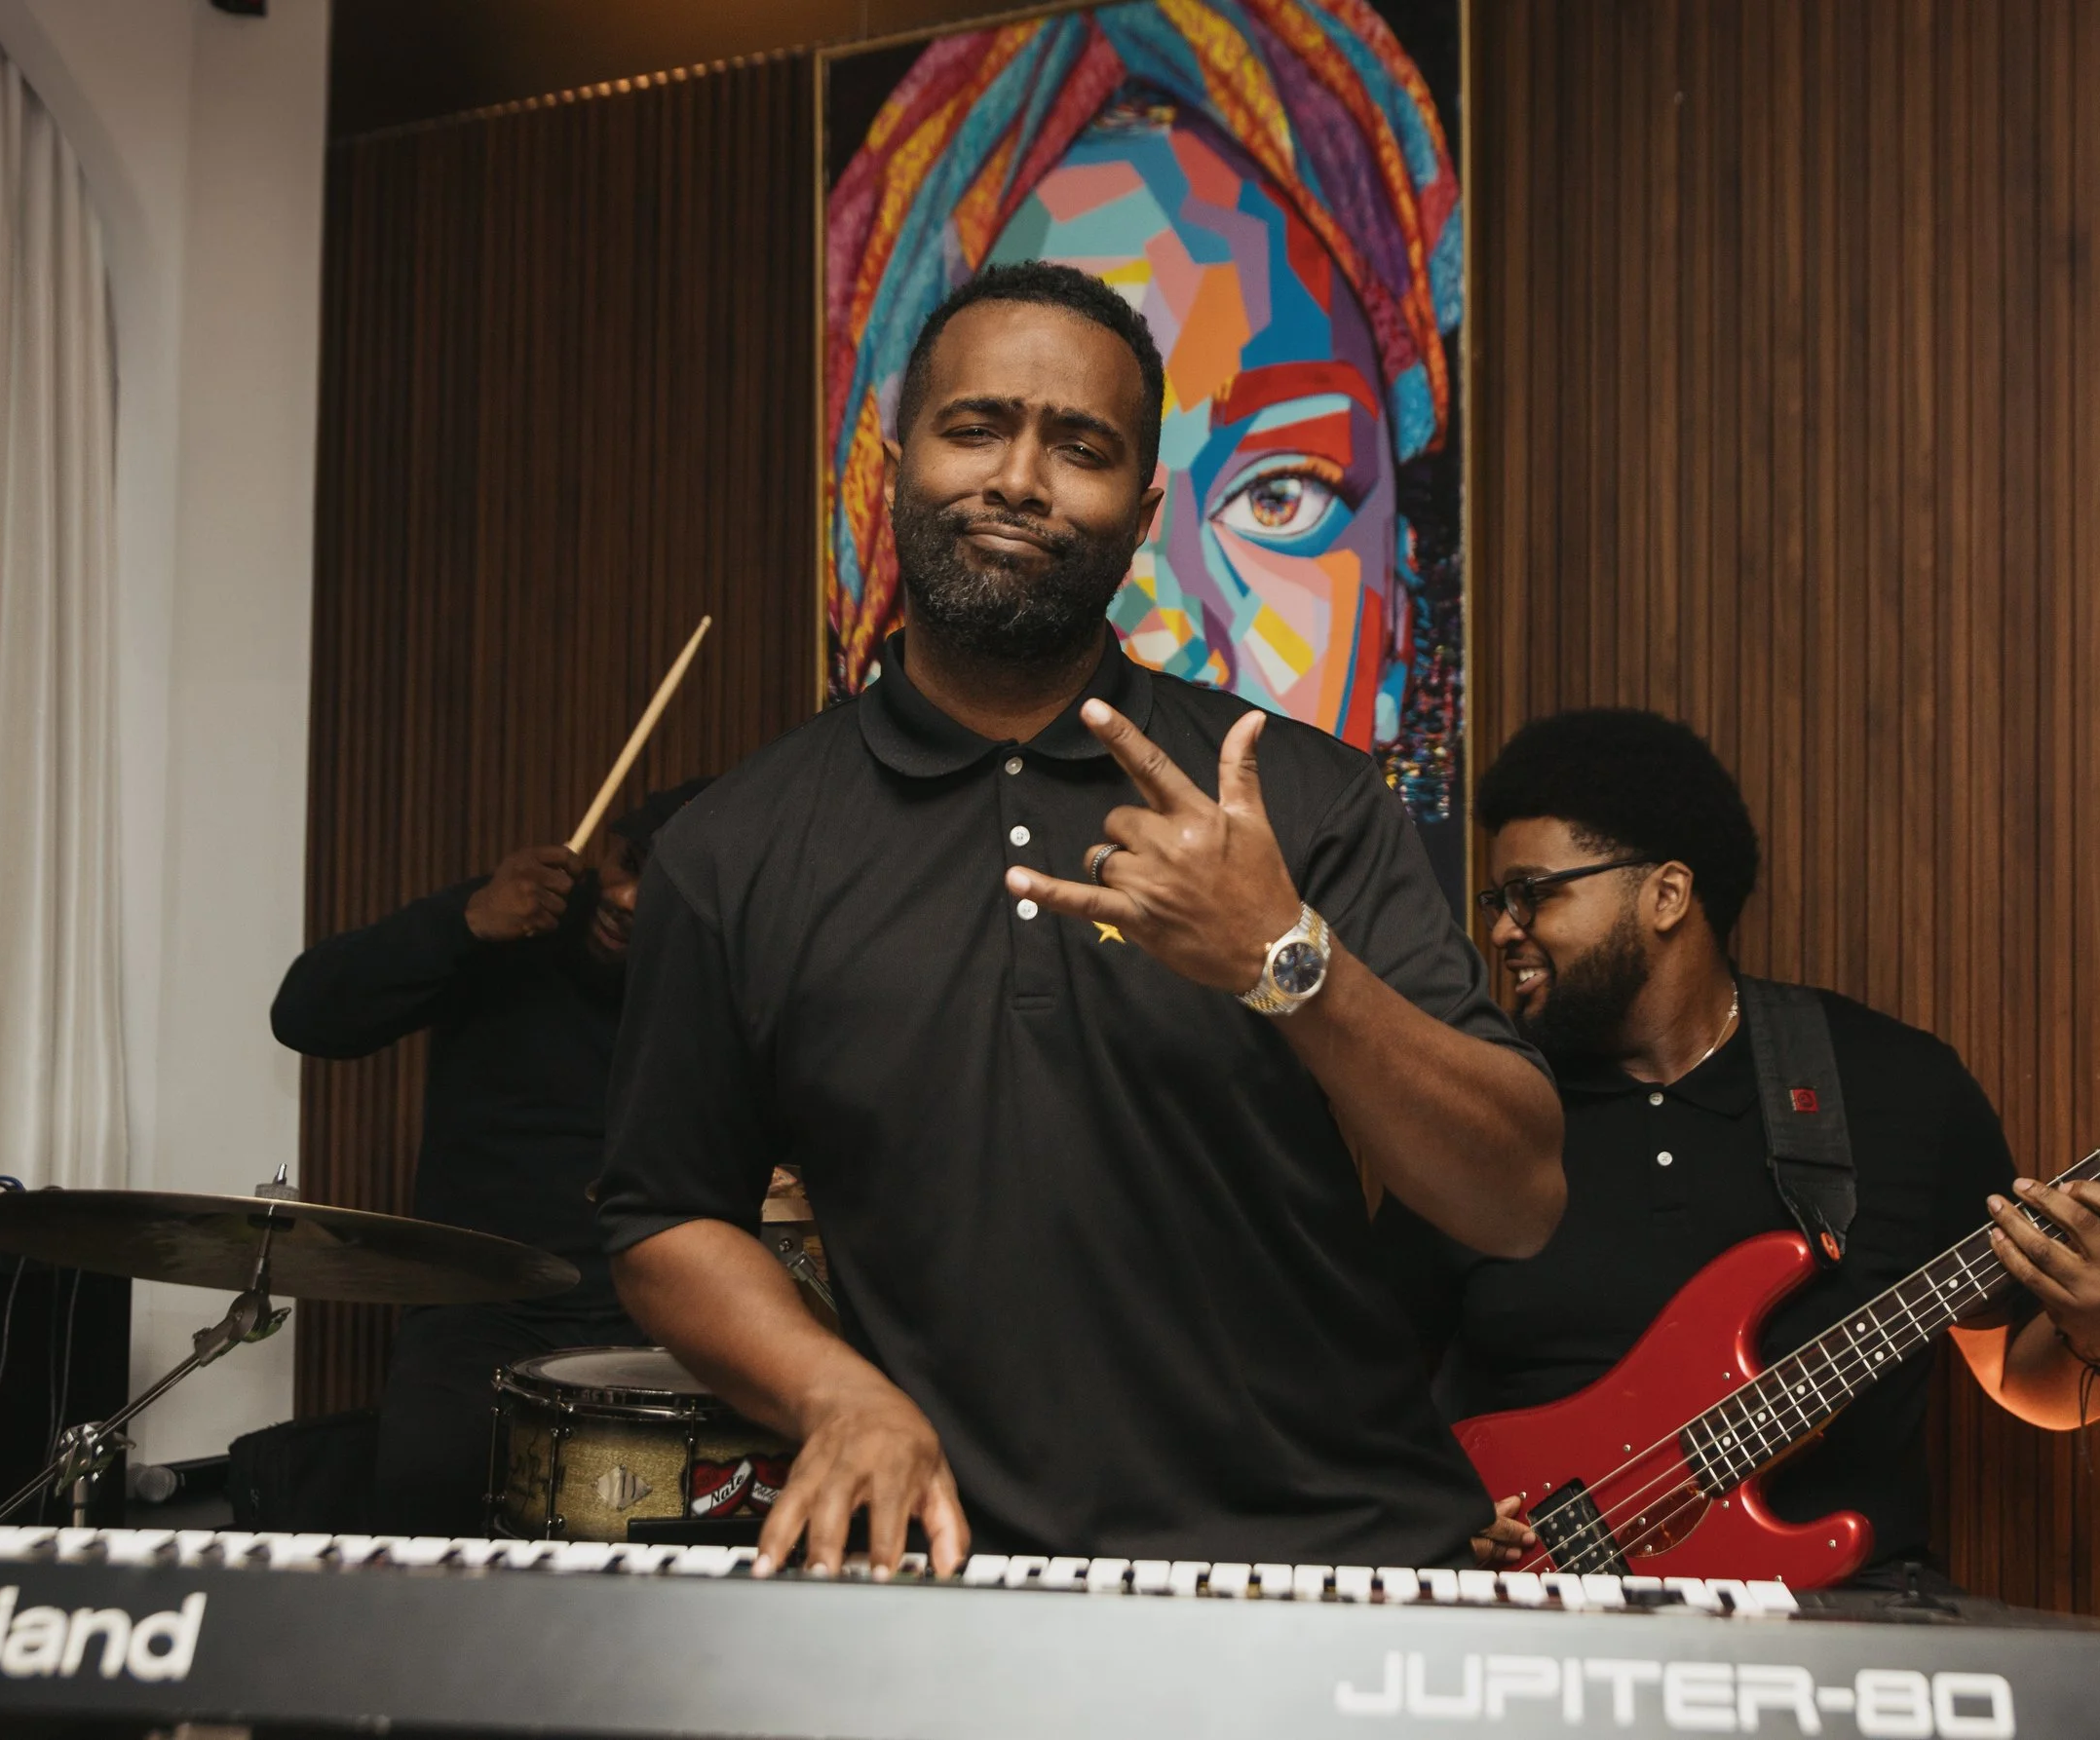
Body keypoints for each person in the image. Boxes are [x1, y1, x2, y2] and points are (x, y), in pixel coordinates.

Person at [598, 260, 1562, 1580]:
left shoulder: (1294, 794)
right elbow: (664, 1215)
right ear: (895, 465)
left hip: (1340, 1565)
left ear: (1141, 509)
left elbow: (1516, 1200)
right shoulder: (737, 847)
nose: (1019, 479)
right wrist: (836, 1391)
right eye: (976, 426)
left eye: (1082, 446)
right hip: (968, 1587)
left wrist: (1288, 965)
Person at [1379, 710, 2100, 1586]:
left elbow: (2018, 1373)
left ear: (1666, 895)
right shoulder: (1476, 1114)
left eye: (1532, 893)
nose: (1504, 930)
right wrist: (1434, 1510)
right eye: (1496, 902)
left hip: (1838, 1634)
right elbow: (1359, 1390)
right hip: (1537, 1635)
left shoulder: (1899, 1089)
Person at [826, 0, 1465, 820]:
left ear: (1399, 632)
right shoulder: (751, 852)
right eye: (981, 433)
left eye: (1279, 498)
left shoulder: (1361, 860)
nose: (1171, 628)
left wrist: (1276, 945)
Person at [270, 779, 709, 1534]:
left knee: (663, 1540)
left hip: (659, 1314)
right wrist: (464, 922)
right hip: (478, 1311)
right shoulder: (515, 917)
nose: (630, 899)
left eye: (662, 889)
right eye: (627, 862)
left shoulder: (715, 975)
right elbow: (306, 1014)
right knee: (428, 1497)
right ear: (603, 847)